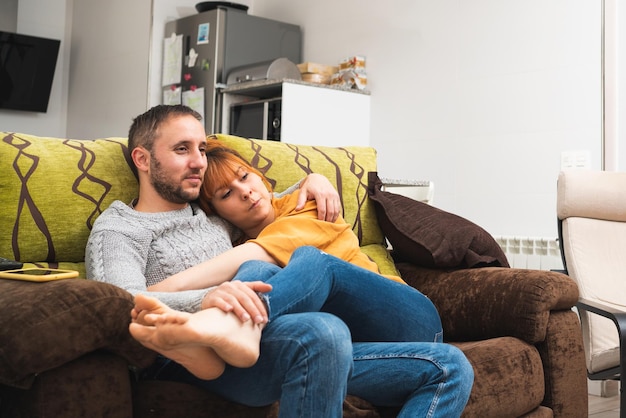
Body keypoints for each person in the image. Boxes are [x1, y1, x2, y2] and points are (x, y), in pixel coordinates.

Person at [86, 104, 474, 417]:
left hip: (254, 333)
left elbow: (263, 200)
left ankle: (231, 327)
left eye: (201, 149)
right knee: (314, 318)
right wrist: (206, 301)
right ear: (141, 158)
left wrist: (314, 178)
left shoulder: (214, 217)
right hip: (189, 349)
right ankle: (223, 326)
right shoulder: (118, 229)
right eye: (181, 149)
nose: (198, 162)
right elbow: (118, 302)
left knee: (448, 365)